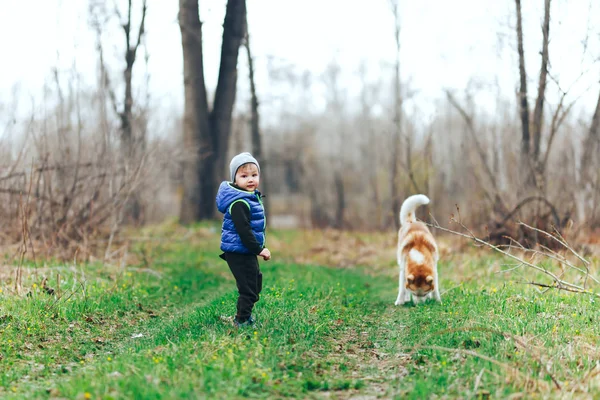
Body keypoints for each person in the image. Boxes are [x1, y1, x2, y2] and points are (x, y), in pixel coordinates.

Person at [216, 152, 271, 327]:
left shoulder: (249, 198)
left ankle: (243, 315)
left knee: (255, 283)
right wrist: (259, 249)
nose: (250, 179)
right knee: (248, 288)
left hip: (244, 250)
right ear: (235, 179)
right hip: (238, 251)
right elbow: (244, 232)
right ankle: (242, 320)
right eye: (244, 175)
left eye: (254, 175)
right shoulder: (239, 203)